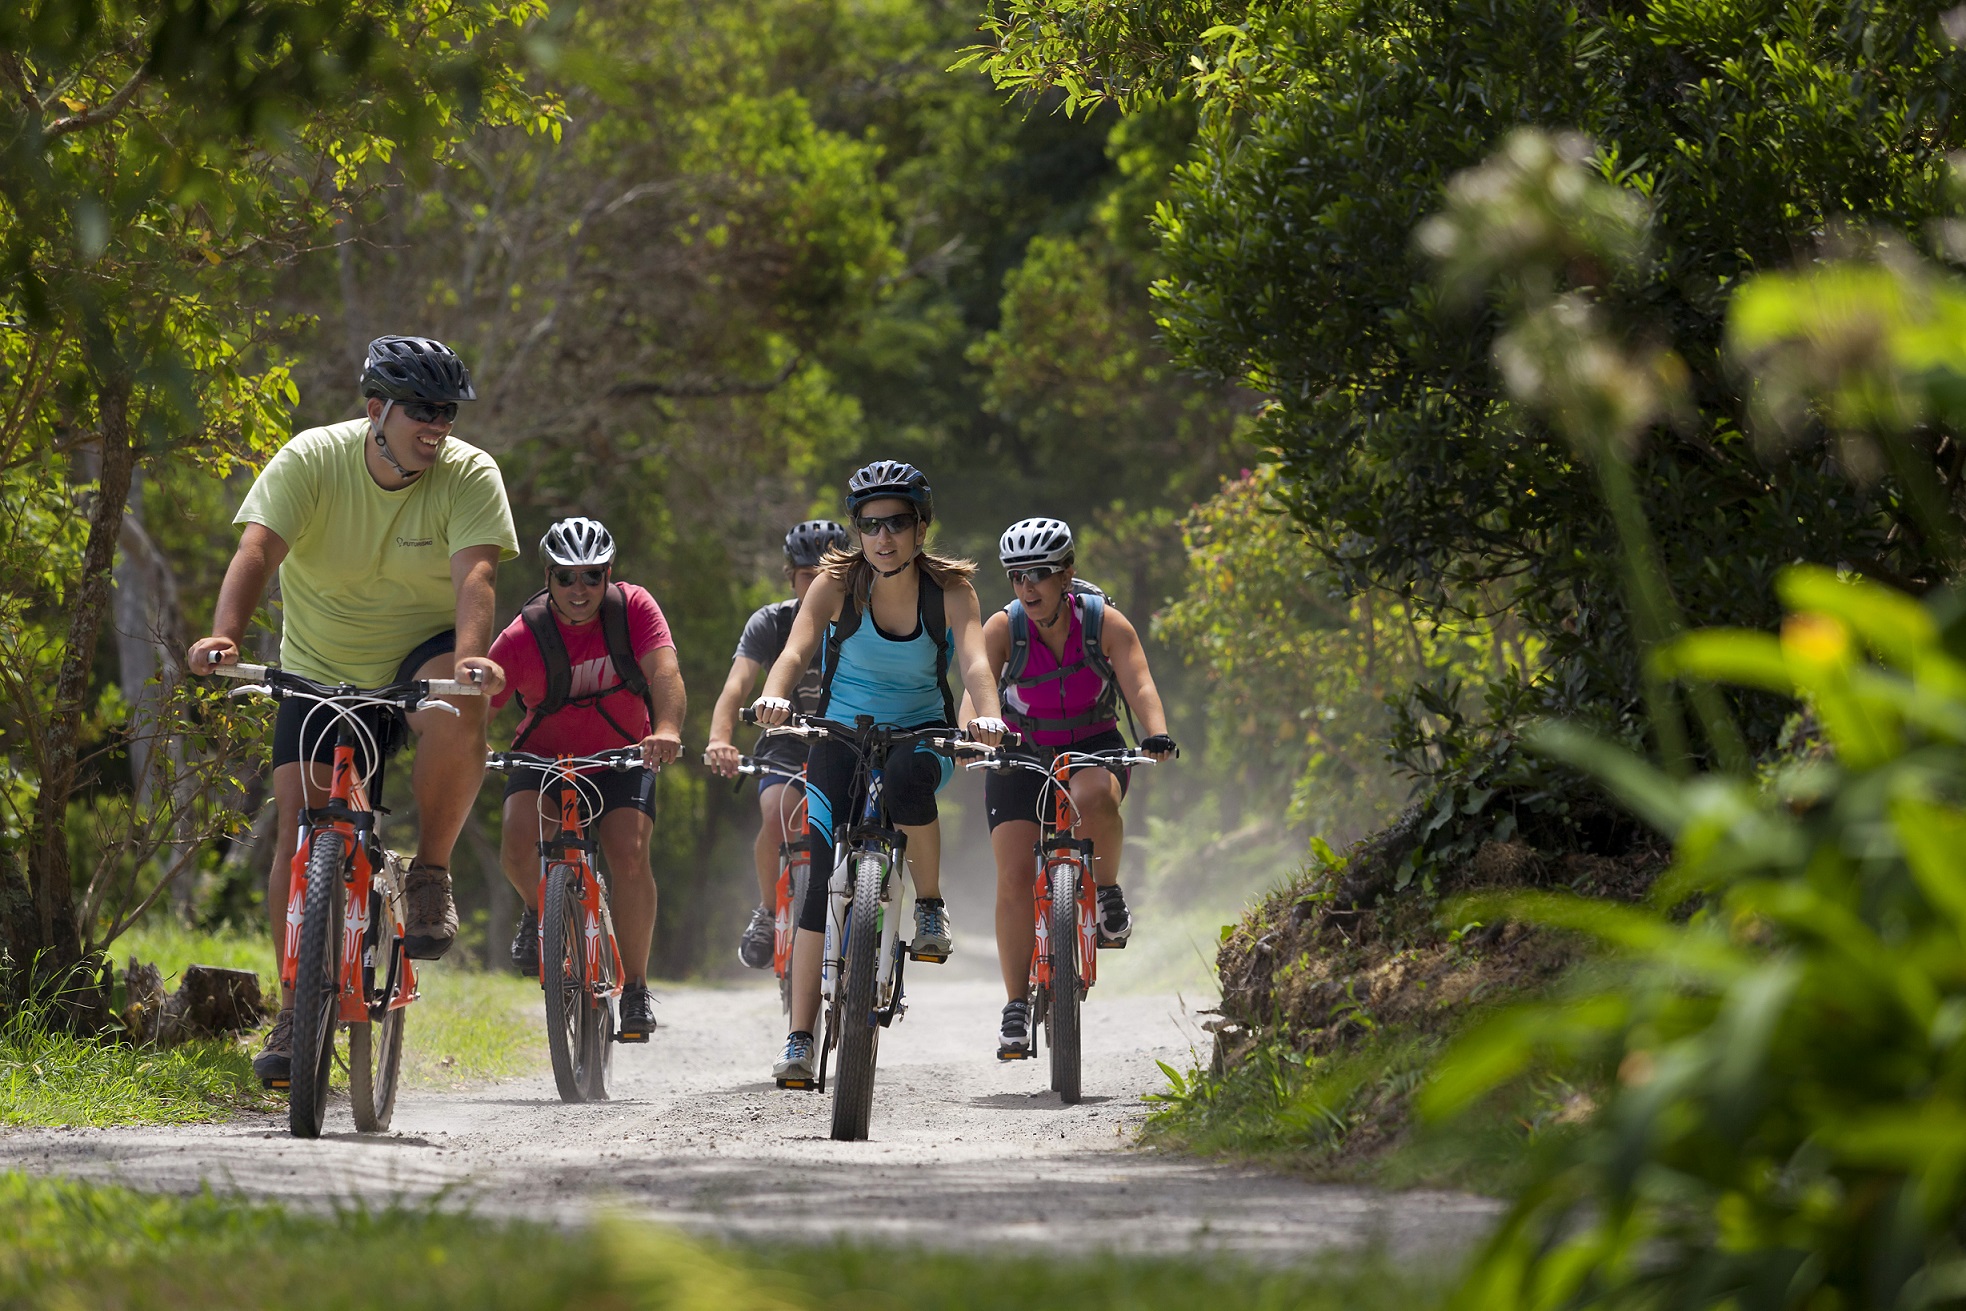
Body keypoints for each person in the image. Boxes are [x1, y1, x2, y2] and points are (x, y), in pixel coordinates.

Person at [188, 335, 518, 1086]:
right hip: (317, 662)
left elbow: (478, 575)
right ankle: (292, 1006)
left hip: (420, 652)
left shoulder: (469, 473)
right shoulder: (311, 459)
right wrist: (224, 636)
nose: (438, 424)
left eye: (448, 410)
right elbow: (257, 551)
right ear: (377, 409)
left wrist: (472, 654)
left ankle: (430, 871)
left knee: (459, 711)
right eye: (423, 411)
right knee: (298, 829)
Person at [751, 462, 1007, 1084]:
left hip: (922, 732)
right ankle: (799, 1039)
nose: (883, 536)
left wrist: (990, 717)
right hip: (839, 731)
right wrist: (775, 696)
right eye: (869, 524)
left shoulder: (950, 591)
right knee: (814, 878)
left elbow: (974, 662)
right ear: (857, 530)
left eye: (896, 522)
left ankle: (929, 904)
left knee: (906, 786)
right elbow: (795, 649)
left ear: (921, 526)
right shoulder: (836, 582)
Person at [971, 517, 1178, 1061]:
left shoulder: (1104, 623)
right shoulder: (1002, 629)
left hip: (1093, 743)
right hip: (1019, 750)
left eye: (1039, 573)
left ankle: (1105, 890)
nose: (1028, 587)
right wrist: (976, 733)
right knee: (1014, 873)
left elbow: (1138, 680)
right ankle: (1016, 1005)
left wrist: (1155, 732)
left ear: (1068, 574)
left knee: (1094, 797)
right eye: (1017, 576)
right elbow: (978, 686)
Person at [489, 516, 685, 1042]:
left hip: (622, 756)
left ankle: (637, 987)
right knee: (517, 842)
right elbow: (479, 709)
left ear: (608, 575)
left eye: (592, 577)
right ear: (548, 578)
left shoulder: (633, 609)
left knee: (628, 850)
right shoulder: (521, 635)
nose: (580, 590)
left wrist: (665, 728)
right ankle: (539, 911)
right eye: (567, 578)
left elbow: (664, 672)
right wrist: (467, 747)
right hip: (544, 759)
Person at [704, 520, 851, 969]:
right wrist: (719, 739)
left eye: (832, 572)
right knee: (775, 814)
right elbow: (738, 685)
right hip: (786, 742)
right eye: (809, 574)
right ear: (791, 576)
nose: (820, 582)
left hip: (847, 740)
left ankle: (864, 908)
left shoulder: (864, 619)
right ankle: (768, 913)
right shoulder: (770, 622)